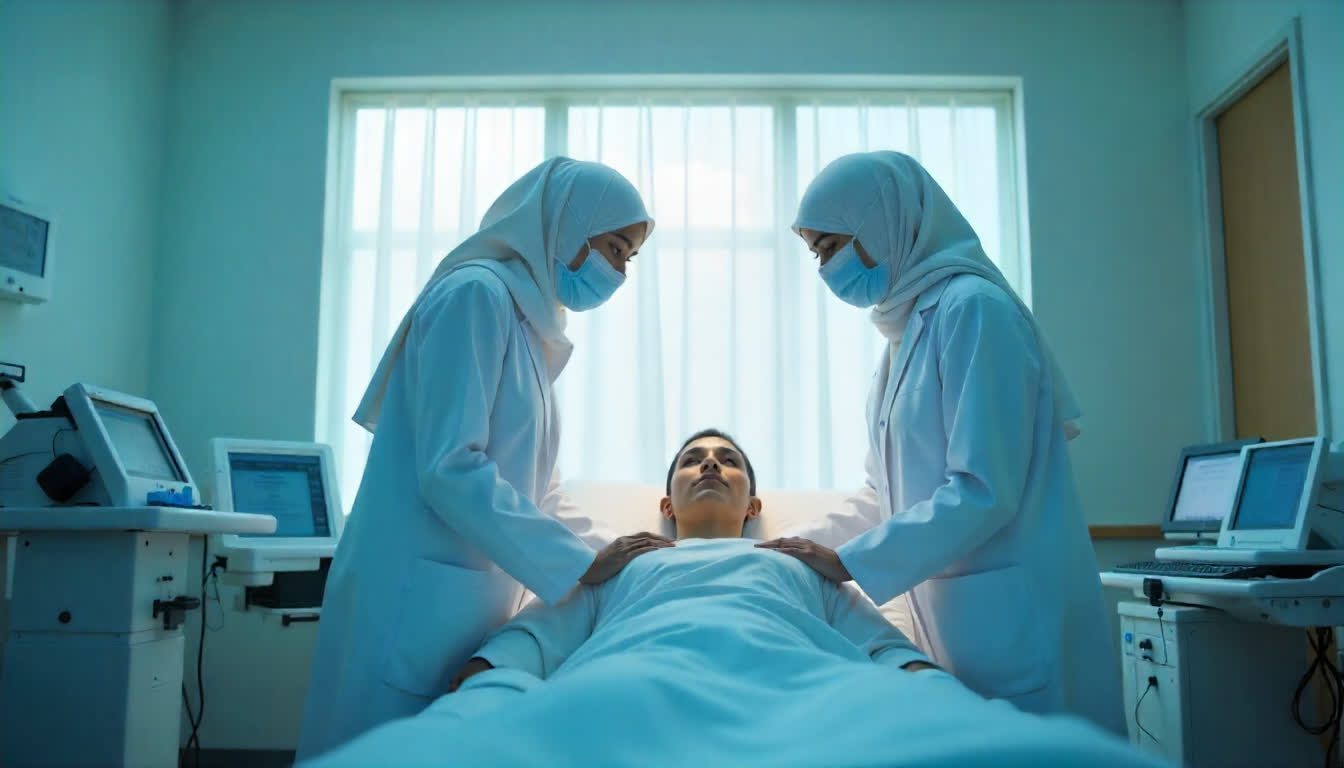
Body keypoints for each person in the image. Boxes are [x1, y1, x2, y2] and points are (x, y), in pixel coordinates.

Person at [298, 430, 1161, 768]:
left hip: (816, 695)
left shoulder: (804, 567)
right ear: (665, 502)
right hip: (627, 688)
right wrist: (483, 687)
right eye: (692, 460)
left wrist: (935, 692)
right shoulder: (614, 566)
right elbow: (526, 646)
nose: (710, 466)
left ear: (753, 505)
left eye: (729, 461)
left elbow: (889, 656)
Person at [295, 158, 671, 761]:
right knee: (375, 751)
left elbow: (539, 493)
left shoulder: (531, 326)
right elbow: (450, 467)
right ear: (569, 225)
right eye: (616, 249)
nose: (621, 272)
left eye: (629, 257)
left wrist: (621, 555)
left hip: (461, 600)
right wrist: (581, 563)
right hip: (412, 593)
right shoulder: (475, 295)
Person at [758, 151, 1125, 735]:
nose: (825, 268)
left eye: (831, 247)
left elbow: (984, 488)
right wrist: (785, 550)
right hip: (960, 619)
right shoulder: (901, 337)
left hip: (1012, 611)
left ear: (884, 222)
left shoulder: (975, 310)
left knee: (1039, 749)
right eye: (816, 254)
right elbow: (883, 494)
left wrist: (848, 562)